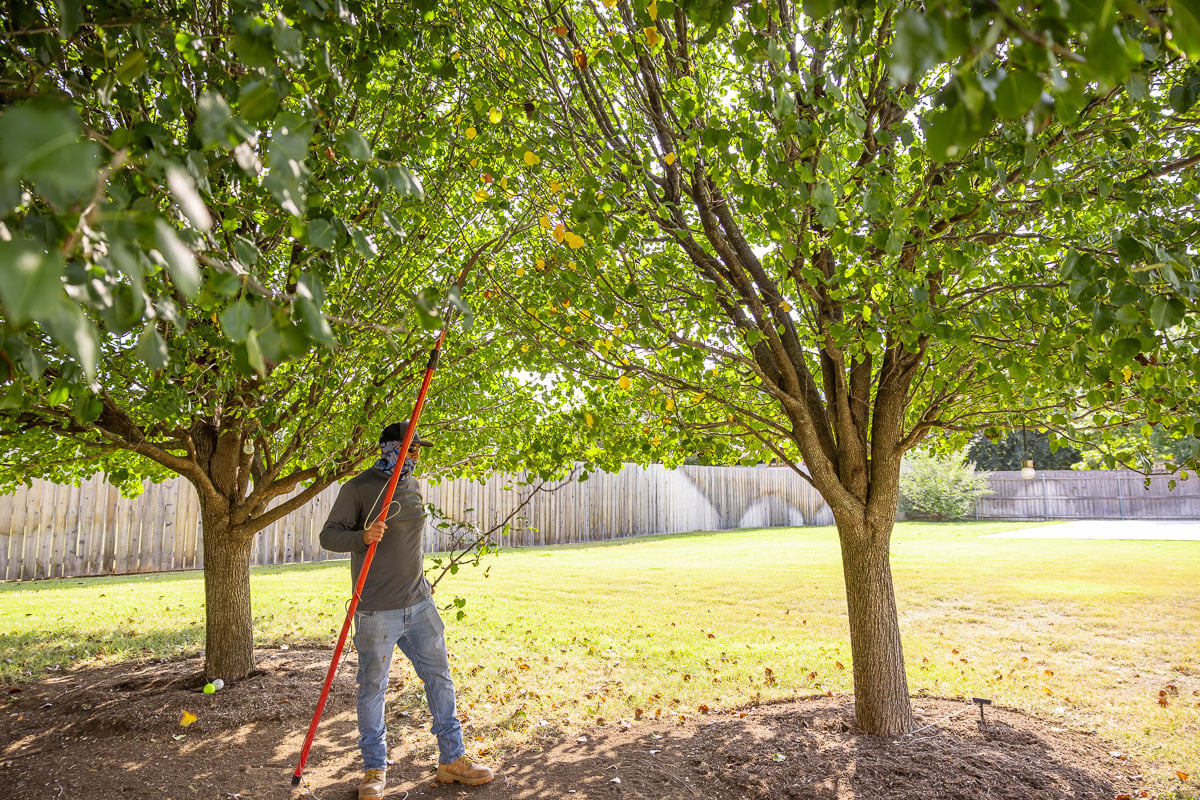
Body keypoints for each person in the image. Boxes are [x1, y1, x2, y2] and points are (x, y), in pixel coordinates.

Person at [320, 421, 493, 798]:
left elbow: (408, 543)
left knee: (439, 679)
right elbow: (328, 536)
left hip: (419, 605)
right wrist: (362, 537)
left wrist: (422, 579)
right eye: (411, 449)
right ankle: (373, 770)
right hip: (376, 611)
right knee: (372, 690)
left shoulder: (411, 485)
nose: (417, 456)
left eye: (419, 450)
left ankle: (452, 759)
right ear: (391, 449)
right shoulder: (359, 488)